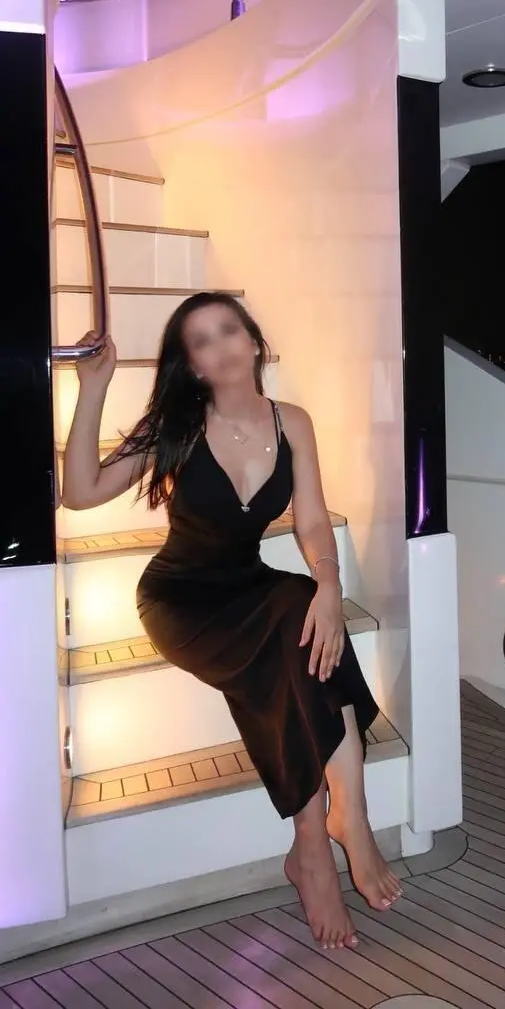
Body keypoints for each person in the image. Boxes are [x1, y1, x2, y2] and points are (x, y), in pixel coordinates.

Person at [62, 291, 401, 950]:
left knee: (303, 608)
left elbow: (310, 520)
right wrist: (93, 387)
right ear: (191, 365)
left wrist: (330, 585)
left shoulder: (292, 422)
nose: (219, 347)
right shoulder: (178, 429)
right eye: (201, 341)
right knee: (293, 644)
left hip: (250, 583)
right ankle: (329, 834)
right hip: (181, 601)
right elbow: (79, 492)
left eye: (227, 330)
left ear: (252, 341)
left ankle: (333, 829)